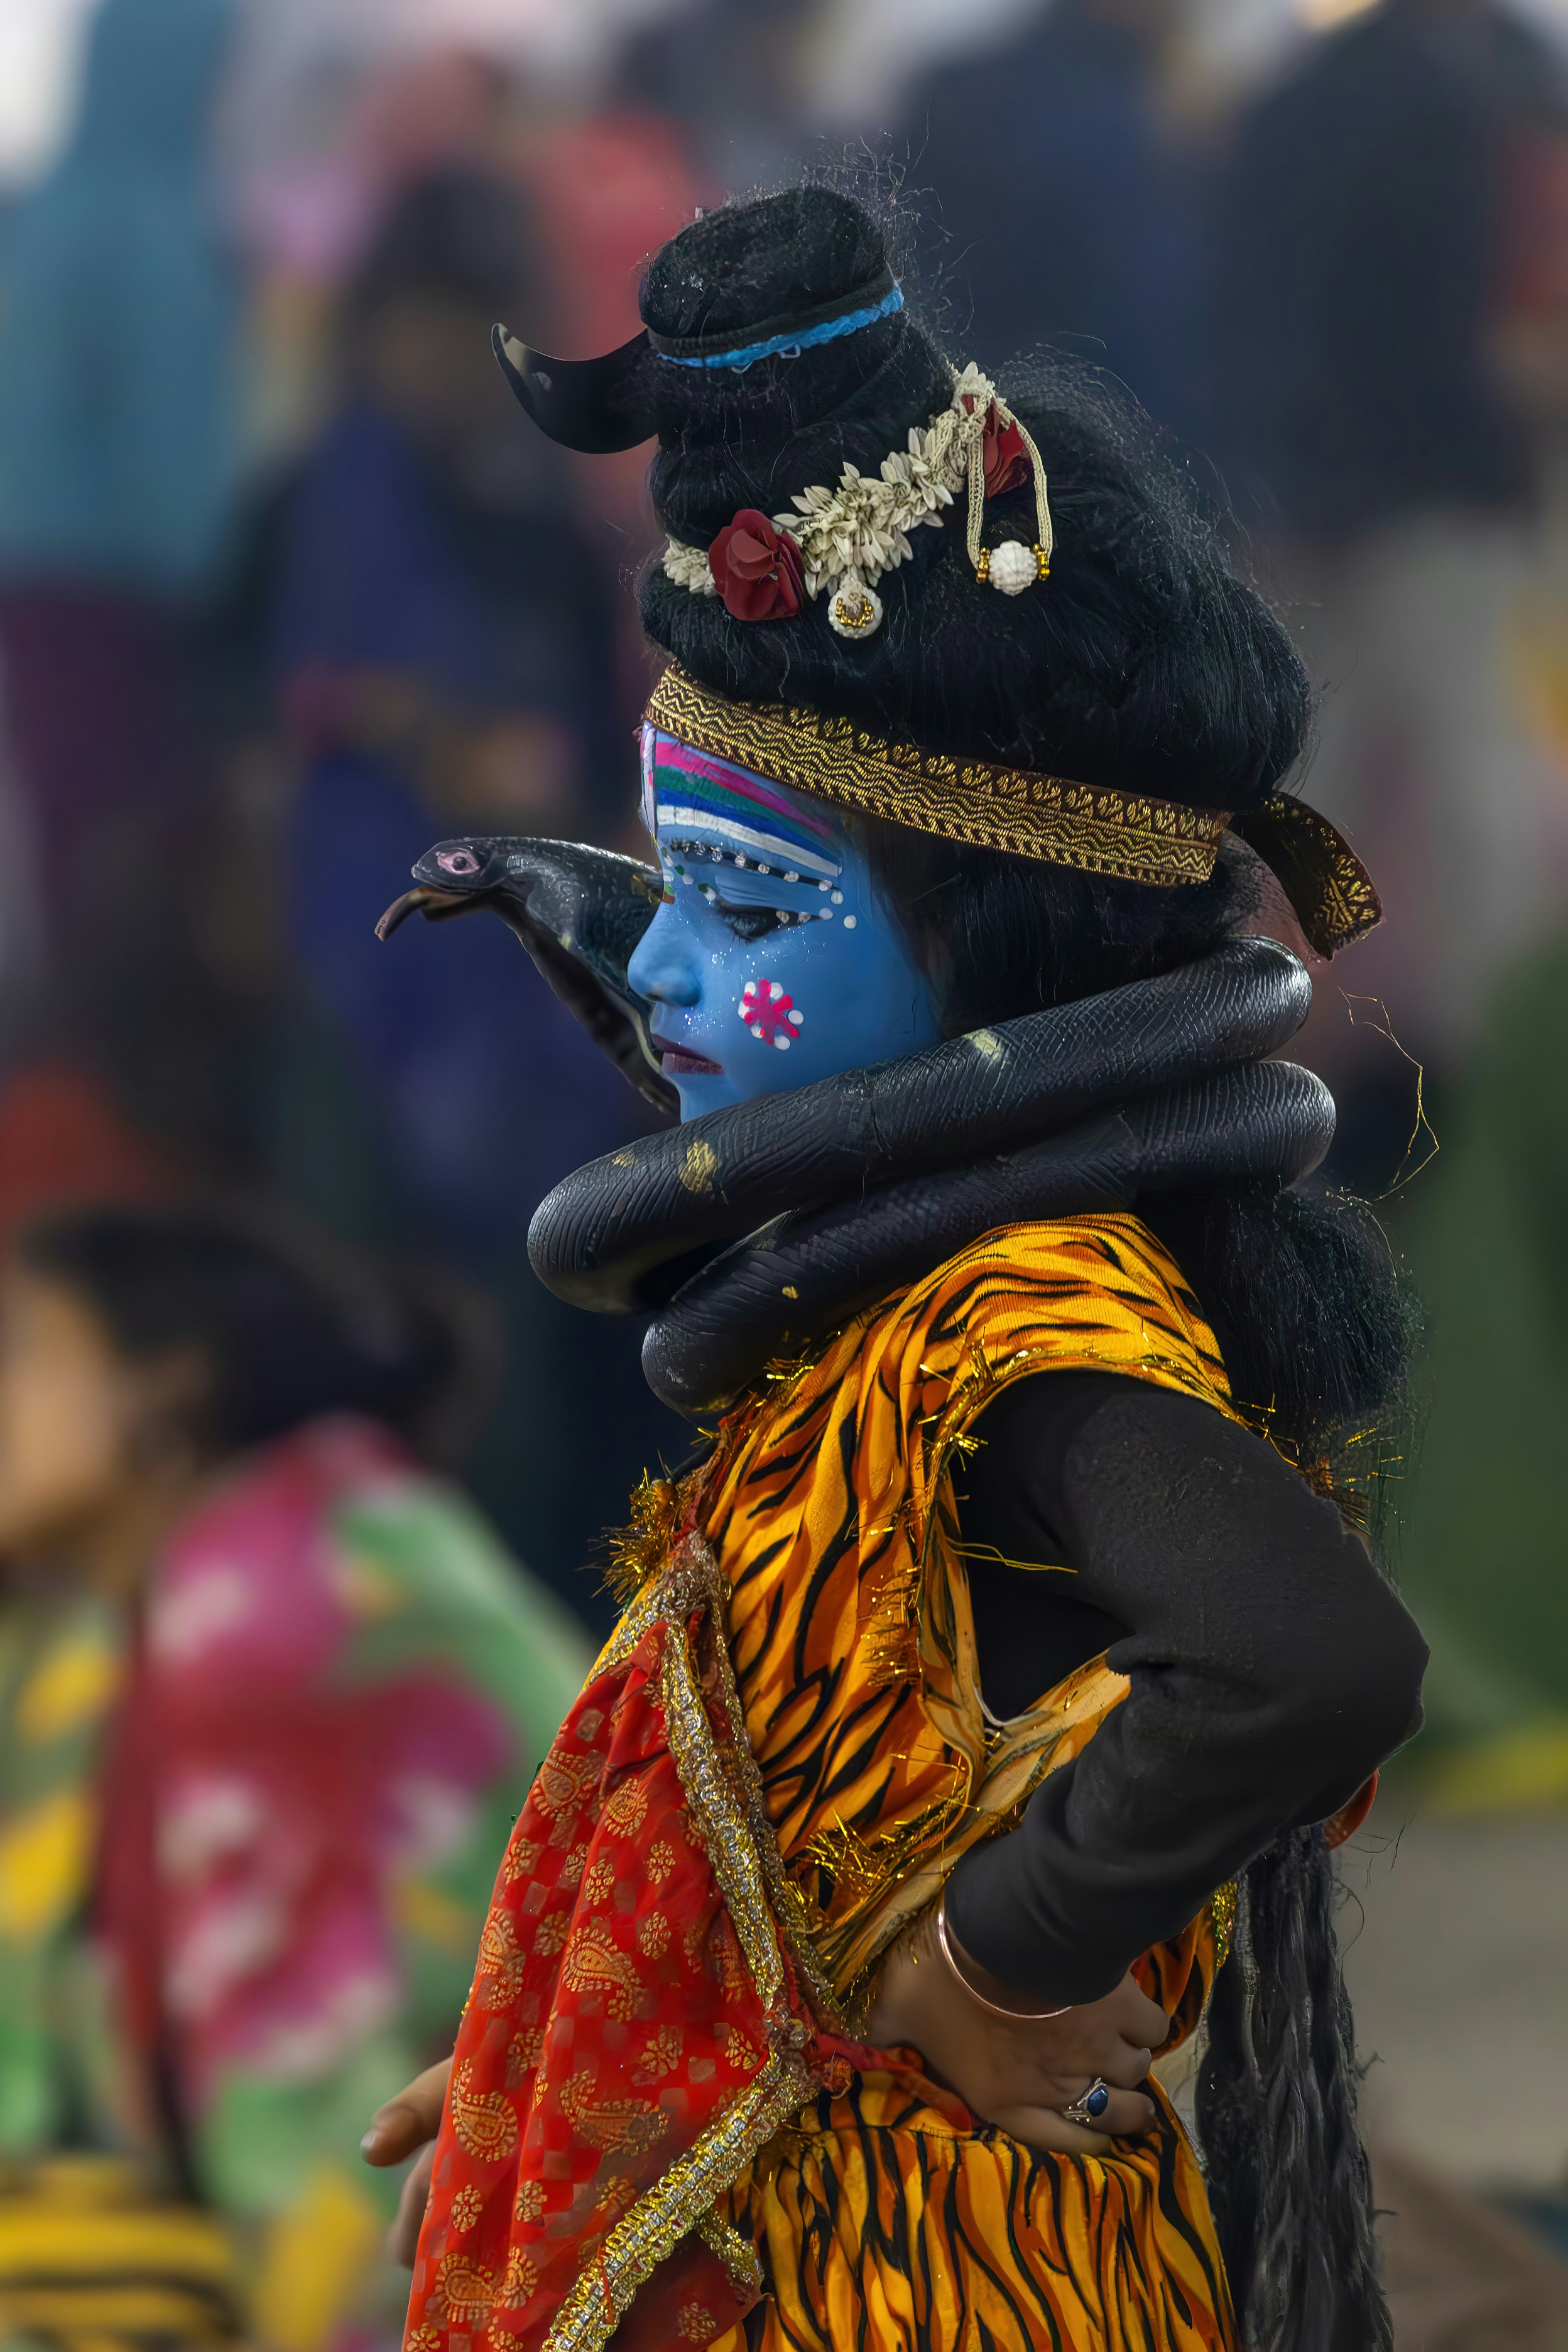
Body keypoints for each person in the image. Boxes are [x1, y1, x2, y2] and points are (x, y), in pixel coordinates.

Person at [361, 188, 1427, 2351]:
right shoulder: (886, 1316)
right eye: (674, 885)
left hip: (940, 2283)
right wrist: (585, 2062)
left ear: (999, 960)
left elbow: (1308, 1656)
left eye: (752, 913)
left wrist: (993, 1962)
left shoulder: (1020, 1320)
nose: (658, 958)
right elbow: (814, 1836)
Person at [0, 1202, 590, 2350]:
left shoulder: (287, 1605)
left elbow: (332, 2146)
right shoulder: (138, 1613)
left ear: (161, 1383)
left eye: (17, 1351)